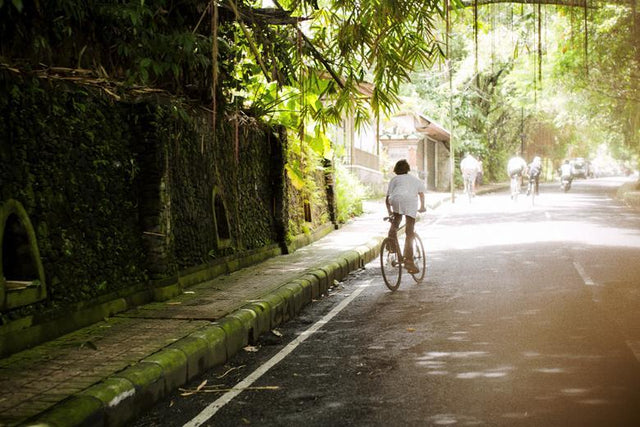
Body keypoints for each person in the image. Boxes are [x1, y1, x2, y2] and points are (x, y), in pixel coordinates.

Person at [385, 159, 426, 274]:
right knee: (409, 232)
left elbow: (387, 199)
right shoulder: (415, 179)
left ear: (396, 170)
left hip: (396, 200)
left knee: (396, 221)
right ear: (408, 169)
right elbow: (421, 195)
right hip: (410, 202)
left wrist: (389, 212)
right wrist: (422, 207)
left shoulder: (394, 180)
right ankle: (408, 261)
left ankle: (391, 244)